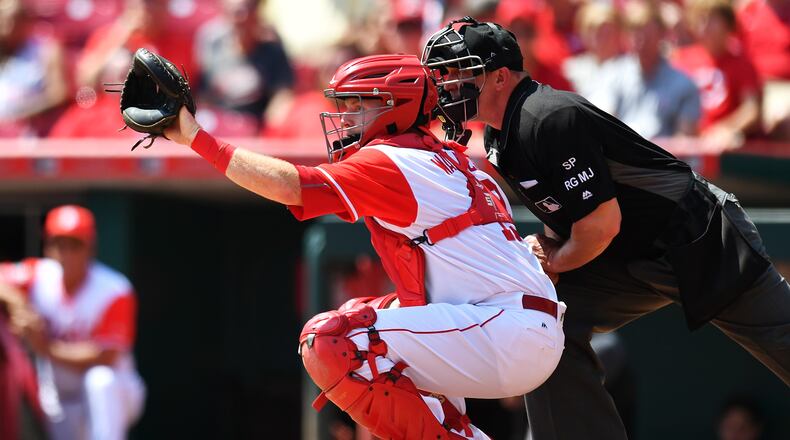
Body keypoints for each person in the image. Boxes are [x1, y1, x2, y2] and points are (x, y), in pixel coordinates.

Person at [421, 17, 790, 440]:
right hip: (628, 252)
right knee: (544, 322)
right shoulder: (499, 136)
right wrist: (551, 253)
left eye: (461, 75)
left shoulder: (548, 116)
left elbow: (600, 224)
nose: (449, 88)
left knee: (783, 336)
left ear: (500, 76)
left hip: (697, 237)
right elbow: (567, 212)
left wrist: (555, 258)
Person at [163, 53, 565, 440]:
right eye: (346, 103)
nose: (347, 115)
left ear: (397, 109)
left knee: (332, 340)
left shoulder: (395, 159)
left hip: (503, 330)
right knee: (367, 315)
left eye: (360, 104)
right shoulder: (457, 162)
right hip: (511, 327)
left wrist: (197, 138)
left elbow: (291, 186)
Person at [0, 205, 145, 440]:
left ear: (90, 248)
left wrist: (45, 347)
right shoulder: (39, 275)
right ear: (48, 247)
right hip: (60, 396)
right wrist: (17, 302)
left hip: (115, 394)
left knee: (100, 380)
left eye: (74, 245)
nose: (65, 253)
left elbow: (105, 356)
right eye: (59, 244)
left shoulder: (114, 290)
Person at [592, 1, 701, 139]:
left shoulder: (684, 84)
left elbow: (685, 139)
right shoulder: (611, 75)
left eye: (647, 34)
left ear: (662, 35)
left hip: (663, 158)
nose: (641, 40)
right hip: (621, 156)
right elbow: (601, 122)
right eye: (635, 33)